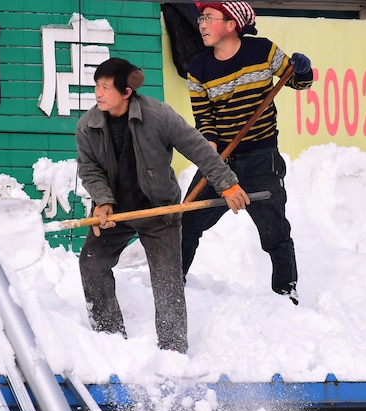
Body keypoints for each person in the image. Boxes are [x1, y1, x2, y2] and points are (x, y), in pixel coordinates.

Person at [76, 57, 247, 353]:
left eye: (105, 87)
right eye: (97, 86)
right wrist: (102, 201)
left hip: (160, 210)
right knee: (92, 262)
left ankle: (173, 351)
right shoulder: (87, 125)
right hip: (115, 212)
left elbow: (198, 148)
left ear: (126, 92)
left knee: (167, 280)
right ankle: (110, 339)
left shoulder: (158, 116)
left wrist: (227, 184)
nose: (98, 93)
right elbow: (89, 168)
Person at [182, 1, 313, 305]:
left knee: (274, 229)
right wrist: (212, 161)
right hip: (219, 161)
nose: (201, 24)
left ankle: (286, 293)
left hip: (261, 157)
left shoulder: (263, 51)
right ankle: (172, 285)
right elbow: (206, 122)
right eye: (200, 18)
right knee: (187, 222)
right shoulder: (197, 68)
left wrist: (303, 69)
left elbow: (296, 80)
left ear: (231, 25)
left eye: (209, 18)